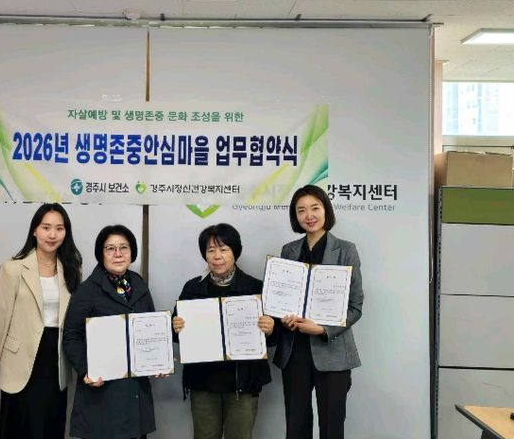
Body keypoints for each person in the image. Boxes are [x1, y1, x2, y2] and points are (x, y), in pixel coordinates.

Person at [274, 185, 364, 439]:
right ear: (295, 216)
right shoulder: (289, 250)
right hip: (294, 351)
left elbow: (355, 306)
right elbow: (281, 299)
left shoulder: (346, 250)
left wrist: (323, 329)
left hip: (332, 351)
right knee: (296, 427)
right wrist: (284, 319)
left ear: (326, 210)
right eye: (301, 210)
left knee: (332, 427)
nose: (309, 215)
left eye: (315, 208)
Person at [172, 223, 275, 439]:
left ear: (235, 252)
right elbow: (177, 335)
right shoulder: (192, 288)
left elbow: (275, 338)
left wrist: (270, 328)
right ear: (205, 254)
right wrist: (176, 326)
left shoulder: (255, 288)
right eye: (211, 250)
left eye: (223, 249)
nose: (217, 256)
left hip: (242, 383)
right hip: (203, 383)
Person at [0, 203, 83, 439]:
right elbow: (1, 318)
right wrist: (1, 357)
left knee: (50, 425)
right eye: (46, 227)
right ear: (34, 230)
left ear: (66, 233)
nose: (52, 235)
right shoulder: (12, 268)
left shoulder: (71, 269)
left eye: (59, 229)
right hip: (21, 358)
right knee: (18, 427)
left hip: (56, 358)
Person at [63, 224, 156, 439]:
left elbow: (150, 328)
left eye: (124, 247)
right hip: (102, 393)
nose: (118, 254)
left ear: (132, 253)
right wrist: (86, 370)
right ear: (101, 254)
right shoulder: (87, 290)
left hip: (135, 392)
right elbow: (72, 336)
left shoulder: (139, 285)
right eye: (110, 248)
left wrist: (157, 362)